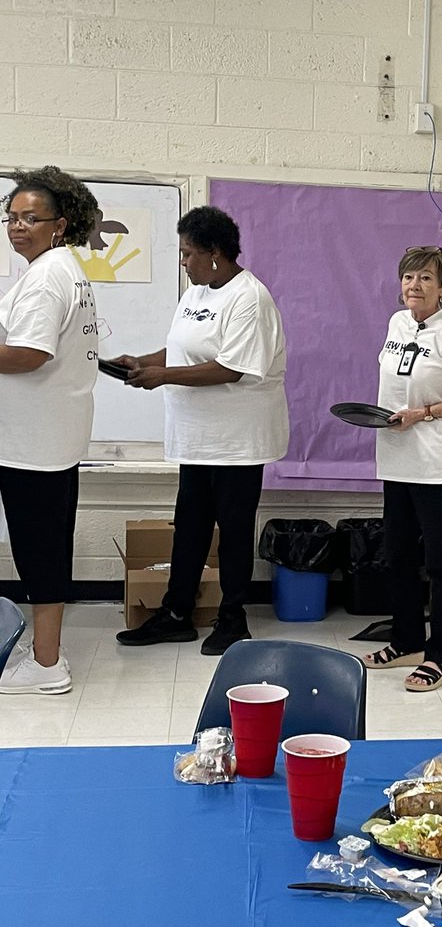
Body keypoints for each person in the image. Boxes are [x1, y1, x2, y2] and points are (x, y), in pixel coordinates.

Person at [114, 206, 288, 657]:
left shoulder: (250, 298)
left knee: (232, 531)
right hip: (196, 437)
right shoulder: (196, 293)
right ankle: (175, 615)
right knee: (189, 529)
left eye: (189, 253)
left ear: (215, 253)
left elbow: (231, 368)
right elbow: (181, 348)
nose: (183, 261)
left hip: (237, 442)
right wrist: (147, 362)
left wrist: (164, 377)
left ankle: (233, 620)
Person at [363, 245, 442, 692]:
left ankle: (440, 655)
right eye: (409, 278)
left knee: (439, 562)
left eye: (426, 279)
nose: (415, 286)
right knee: (397, 556)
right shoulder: (397, 323)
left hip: (432, 463)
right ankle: (407, 640)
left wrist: (424, 412)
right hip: (394, 456)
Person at [0, 166, 99, 696]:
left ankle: (47, 666)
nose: (18, 227)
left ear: (60, 223)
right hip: (51, 437)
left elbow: (30, 354)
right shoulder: (63, 268)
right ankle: (45, 655)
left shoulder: (45, 277)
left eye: (31, 218)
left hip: (31, 443)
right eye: (12, 217)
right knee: (48, 548)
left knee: (38, 553)